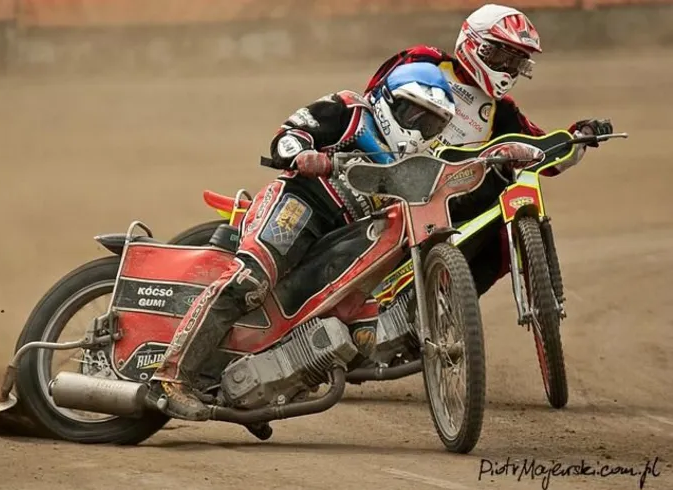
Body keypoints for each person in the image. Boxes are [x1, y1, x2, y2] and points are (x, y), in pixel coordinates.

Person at [146, 62, 458, 421]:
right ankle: (170, 377)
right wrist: (302, 153)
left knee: (342, 324)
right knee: (249, 281)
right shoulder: (350, 110)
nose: (420, 129)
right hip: (298, 205)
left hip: (343, 237)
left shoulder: (416, 163)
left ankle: (248, 390)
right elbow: (289, 134)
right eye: (414, 113)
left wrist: (503, 160)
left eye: (432, 123)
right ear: (388, 99)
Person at [364, 3, 614, 295]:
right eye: (500, 56)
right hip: (389, 177)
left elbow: (540, 152)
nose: (507, 70)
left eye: (516, 63)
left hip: (449, 199)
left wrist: (579, 135)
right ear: (473, 43)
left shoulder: (503, 112)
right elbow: (371, 99)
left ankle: (450, 304)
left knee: (501, 226)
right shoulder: (424, 60)